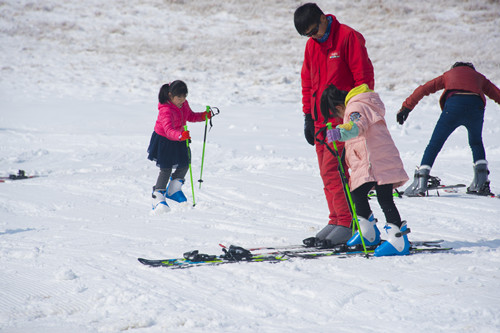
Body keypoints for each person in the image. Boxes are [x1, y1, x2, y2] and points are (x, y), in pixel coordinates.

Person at [294, 3, 375, 245]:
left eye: (314, 30)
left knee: (337, 170)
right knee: (326, 172)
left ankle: (347, 222)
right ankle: (336, 218)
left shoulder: (348, 38)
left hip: (341, 120)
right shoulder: (312, 46)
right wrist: (308, 116)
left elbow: (363, 78)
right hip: (320, 121)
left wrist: (357, 114)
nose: (313, 36)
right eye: (307, 35)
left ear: (323, 18)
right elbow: (307, 82)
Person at [323, 84, 410, 256]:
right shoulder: (365, 104)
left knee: (379, 197)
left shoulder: (355, 107)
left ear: (339, 108)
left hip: (377, 162)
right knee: (361, 193)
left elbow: (356, 126)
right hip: (378, 160)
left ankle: (398, 241)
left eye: (337, 115)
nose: (340, 118)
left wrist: (340, 132)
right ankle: (369, 233)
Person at [397, 62, 500, 197]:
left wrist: (406, 108)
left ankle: (421, 182)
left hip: (453, 107)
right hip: (475, 108)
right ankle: (481, 182)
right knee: (476, 143)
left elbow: (423, 89)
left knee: (434, 144)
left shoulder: (449, 75)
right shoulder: (479, 77)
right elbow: (497, 94)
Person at [147, 80, 210, 213]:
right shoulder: (165, 109)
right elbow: (168, 130)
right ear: (170, 95)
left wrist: (204, 116)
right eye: (179, 97)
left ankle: (174, 189)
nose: (182, 100)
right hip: (165, 140)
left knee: (184, 163)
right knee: (166, 169)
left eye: (184, 96)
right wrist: (180, 136)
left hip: (180, 137)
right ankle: (158, 195)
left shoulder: (183, 104)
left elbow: (190, 116)